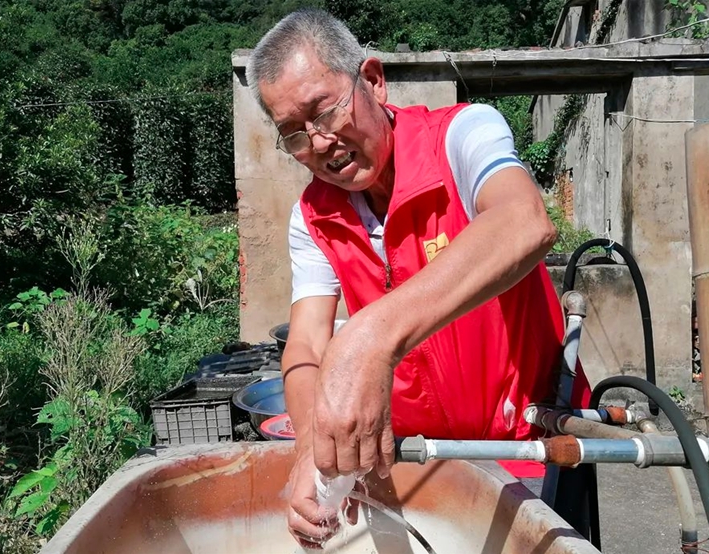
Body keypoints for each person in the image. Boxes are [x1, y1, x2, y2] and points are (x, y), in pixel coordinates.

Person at [246, 8, 591, 548]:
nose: (320, 143)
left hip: (530, 448)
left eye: (326, 111)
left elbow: (523, 222)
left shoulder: (462, 135)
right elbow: (307, 344)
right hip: (415, 464)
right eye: (294, 133)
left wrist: (370, 337)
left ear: (373, 81)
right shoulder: (312, 216)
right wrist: (311, 449)